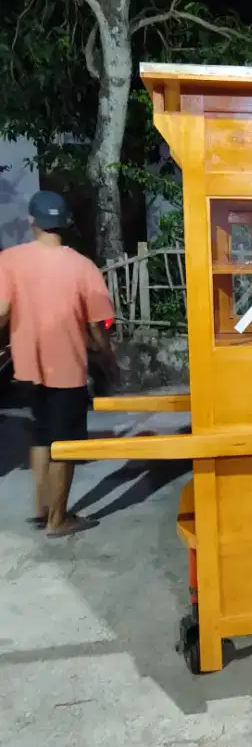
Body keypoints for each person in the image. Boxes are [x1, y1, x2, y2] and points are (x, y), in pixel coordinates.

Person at [0, 191, 117, 536]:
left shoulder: (9, 260)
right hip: (66, 367)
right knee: (63, 441)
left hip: (27, 367)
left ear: (32, 221)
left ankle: (42, 507)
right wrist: (107, 357)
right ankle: (57, 519)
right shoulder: (83, 267)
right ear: (65, 223)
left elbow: (3, 311)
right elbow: (98, 324)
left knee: (41, 433)